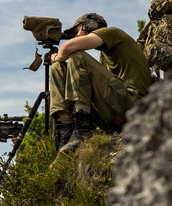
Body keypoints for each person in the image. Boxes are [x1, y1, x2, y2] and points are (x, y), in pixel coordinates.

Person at [46, 12, 153, 153]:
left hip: (134, 107)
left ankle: (83, 128)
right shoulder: (104, 57)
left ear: (88, 26)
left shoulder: (113, 33)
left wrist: (54, 57)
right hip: (114, 113)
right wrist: (56, 62)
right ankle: (66, 130)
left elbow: (67, 48)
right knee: (58, 68)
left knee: (76, 56)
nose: (75, 36)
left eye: (76, 31)